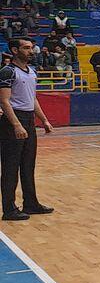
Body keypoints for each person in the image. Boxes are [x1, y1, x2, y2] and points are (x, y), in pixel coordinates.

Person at [0, 38, 54, 221]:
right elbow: (4, 101)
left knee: (28, 165)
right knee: (10, 166)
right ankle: (9, 209)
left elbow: (33, 98)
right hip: (13, 121)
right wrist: (16, 124)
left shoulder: (32, 71)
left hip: (29, 119)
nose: (31, 51)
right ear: (15, 50)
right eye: (26, 48)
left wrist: (44, 120)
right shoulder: (8, 72)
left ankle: (31, 203)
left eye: (32, 48)